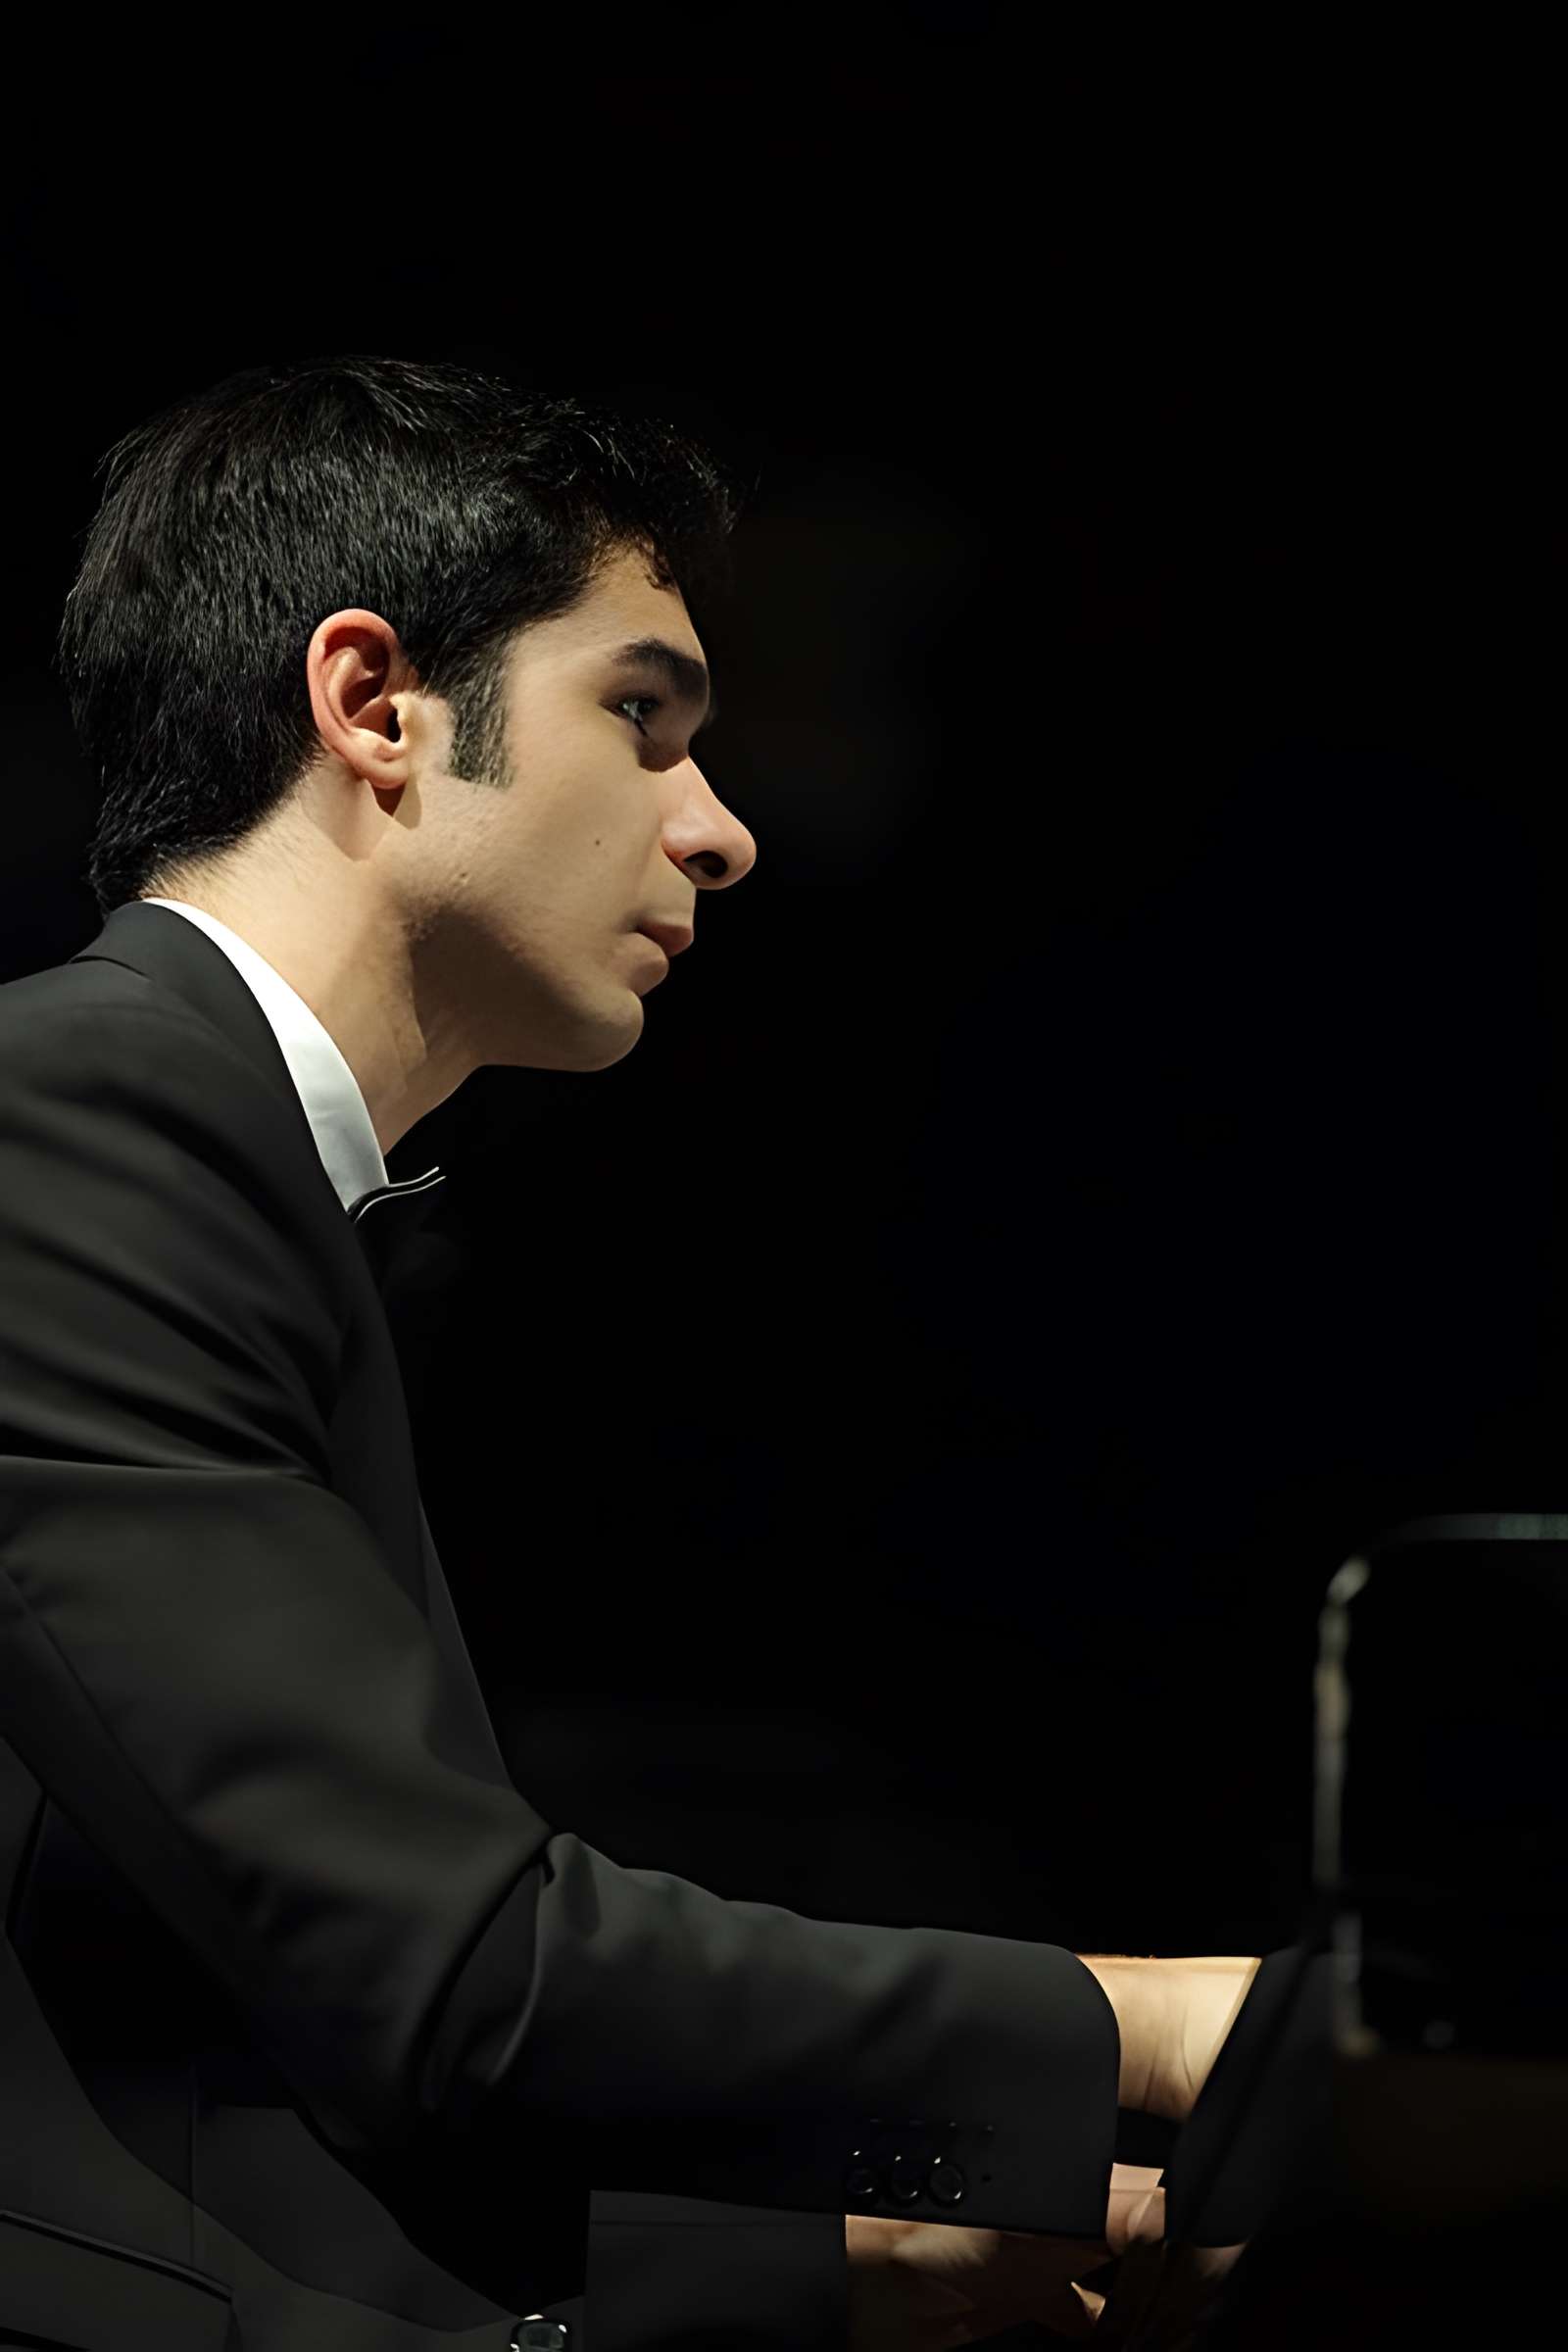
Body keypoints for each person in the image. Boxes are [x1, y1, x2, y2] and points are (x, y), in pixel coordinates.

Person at [0, 354, 1320, 2350]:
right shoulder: (75, 1126)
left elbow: (174, 2097)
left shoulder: (206, 1161)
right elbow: (453, 1982)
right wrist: (1142, 2021)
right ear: (373, 708)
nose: (721, 832)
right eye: (640, 716)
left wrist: (868, 2263)